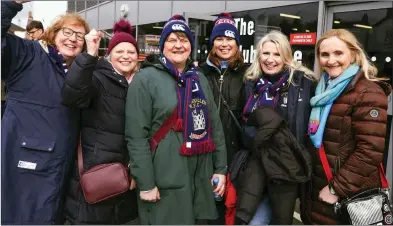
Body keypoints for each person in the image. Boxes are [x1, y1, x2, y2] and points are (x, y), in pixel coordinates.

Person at [124, 14, 227, 225]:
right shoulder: (145, 79)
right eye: (172, 40)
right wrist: (146, 183)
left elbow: (214, 126)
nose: (178, 45)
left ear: (190, 45)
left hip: (199, 181)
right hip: (163, 182)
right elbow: (136, 136)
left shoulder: (199, 79)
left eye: (184, 39)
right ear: (162, 46)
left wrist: (220, 169)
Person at [1, 1, 89, 224]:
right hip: (24, 165)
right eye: (67, 32)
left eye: (80, 36)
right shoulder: (29, 54)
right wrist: (9, 5)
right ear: (53, 33)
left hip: (59, 170)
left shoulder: (81, 72)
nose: (73, 39)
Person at [302, 29, 392, 225]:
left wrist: (336, 188)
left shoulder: (367, 92)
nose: (331, 60)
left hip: (348, 195)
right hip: (320, 192)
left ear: (353, 54)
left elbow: (369, 151)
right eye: (324, 54)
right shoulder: (322, 89)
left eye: (338, 53)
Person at [61, 19, 139, 224]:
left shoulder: (141, 85)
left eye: (131, 52)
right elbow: (72, 94)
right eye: (119, 51)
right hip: (94, 178)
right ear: (110, 54)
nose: (125, 56)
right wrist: (90, 54)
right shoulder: (97, 77)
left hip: (124, 184)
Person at [235, 30, 316, 225]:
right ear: (258, 55)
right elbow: (243, 122)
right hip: (257, 166)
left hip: (286, 169)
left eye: (277, 54)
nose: (270, 59)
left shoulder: (303, 82)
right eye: (266, 53)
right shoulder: (250, 82)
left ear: (286, 56)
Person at [197, 12, 245, 225]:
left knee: (230, 213)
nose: (224, 44)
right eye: (219, 39)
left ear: (237, 43)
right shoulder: (198, 73)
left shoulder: (248, 75)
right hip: (203, 155)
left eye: (229, 39)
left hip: (235, 158)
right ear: (212, 42)